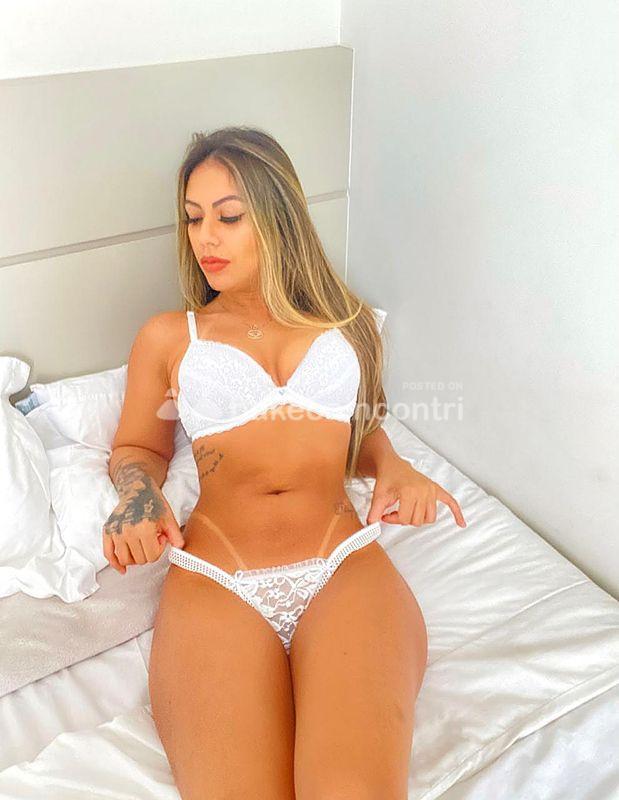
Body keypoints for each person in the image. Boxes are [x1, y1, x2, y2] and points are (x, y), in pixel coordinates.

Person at [104, 126, 465, 799]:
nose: (206, 238)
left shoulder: (348, 323)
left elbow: (357, 426)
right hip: (218, 580)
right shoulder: (169, 336)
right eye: (193, 218)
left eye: (229, 217)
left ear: (276, 215)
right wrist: (138, 494)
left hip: (342, 565)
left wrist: (393, 465)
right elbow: (138, 449)